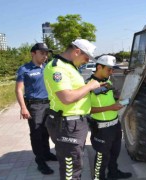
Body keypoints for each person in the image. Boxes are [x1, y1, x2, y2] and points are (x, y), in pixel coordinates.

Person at [43, 39, 101, 180]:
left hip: (75, 124)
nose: (87, 61)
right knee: (71, 168)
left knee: (75, 163)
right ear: (76, 52)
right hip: (67, 125)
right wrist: (90, 86)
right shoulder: (57, 68)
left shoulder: (70, 66)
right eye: (86, 57)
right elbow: (67, 98)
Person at [87, 55, 132, 180]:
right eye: (109, 69)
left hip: (115, 125)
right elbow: (87, 109)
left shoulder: (108, 82)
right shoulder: (88, 85)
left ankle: (113, 173)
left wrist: (119, 100)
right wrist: (110, 107)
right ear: (99, 67)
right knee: (102, 156)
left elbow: (110, 99)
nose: (111, 72)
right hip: (101, 129)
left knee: (114, 153)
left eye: (112, 69)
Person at [15, 43, 57, 175]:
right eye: (42, 53)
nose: (45, 56)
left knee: (46, 131)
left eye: (46, 53)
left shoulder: (47, 67)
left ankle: (46, 153)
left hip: (49, 104)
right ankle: (40, 161)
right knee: (37, 133)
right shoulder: (25, 69)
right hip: (34, 105)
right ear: (33, 53)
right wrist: (23, 107)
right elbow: (19, 89)